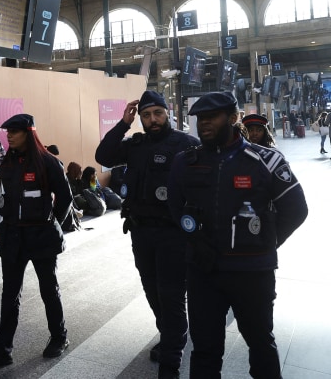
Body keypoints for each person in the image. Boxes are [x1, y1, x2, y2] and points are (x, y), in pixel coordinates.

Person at [167, 91, 308, 378]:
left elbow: (296, 209)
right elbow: (175, 209)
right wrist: (195, 241)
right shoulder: (185, 162)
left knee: (260, 344)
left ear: (233, 118)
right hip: (204, 273)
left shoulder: (265, 160)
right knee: (204, 350)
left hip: (253, 273)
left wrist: (265, 243)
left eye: (211, 118)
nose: (203, 124)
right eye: (199, 119)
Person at [95, 90, 199, 379]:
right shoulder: (134, 145)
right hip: (141, 232)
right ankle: (170, 336)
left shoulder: (187, 145)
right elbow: (103, 155)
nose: (152, 120)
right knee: (152, 291)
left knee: (172, 295)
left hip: (173, 235)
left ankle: (171, 363)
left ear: (168, 114)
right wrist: (122, 124)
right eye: (146, 115)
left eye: (158, 113)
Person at [0, 113, 73, 370]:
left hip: (41, 236)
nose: (8, 135)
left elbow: (65, 198)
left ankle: (59, 337)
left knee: (48, 290)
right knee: (10, 295)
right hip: (13, 238)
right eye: (7, 131)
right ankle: (2, 350)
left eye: (15, 131)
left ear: (29, 133)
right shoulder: (7, 163)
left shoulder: (48, 162)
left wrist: (50, 221)